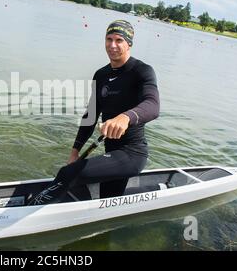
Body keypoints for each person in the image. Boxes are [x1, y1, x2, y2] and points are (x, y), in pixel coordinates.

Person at [28, 19, 160, 206]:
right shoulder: (101, 74)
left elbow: (153, 105)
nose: (112, 45)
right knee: (108, 203)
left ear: (129, 44)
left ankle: (32, 208)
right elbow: (90, 116)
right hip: (111, 153)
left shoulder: (142, 71)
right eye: (109, 39)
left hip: (132, 154)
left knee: (68, 174)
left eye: (119, 40)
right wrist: (74, 153)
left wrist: (125, 117)